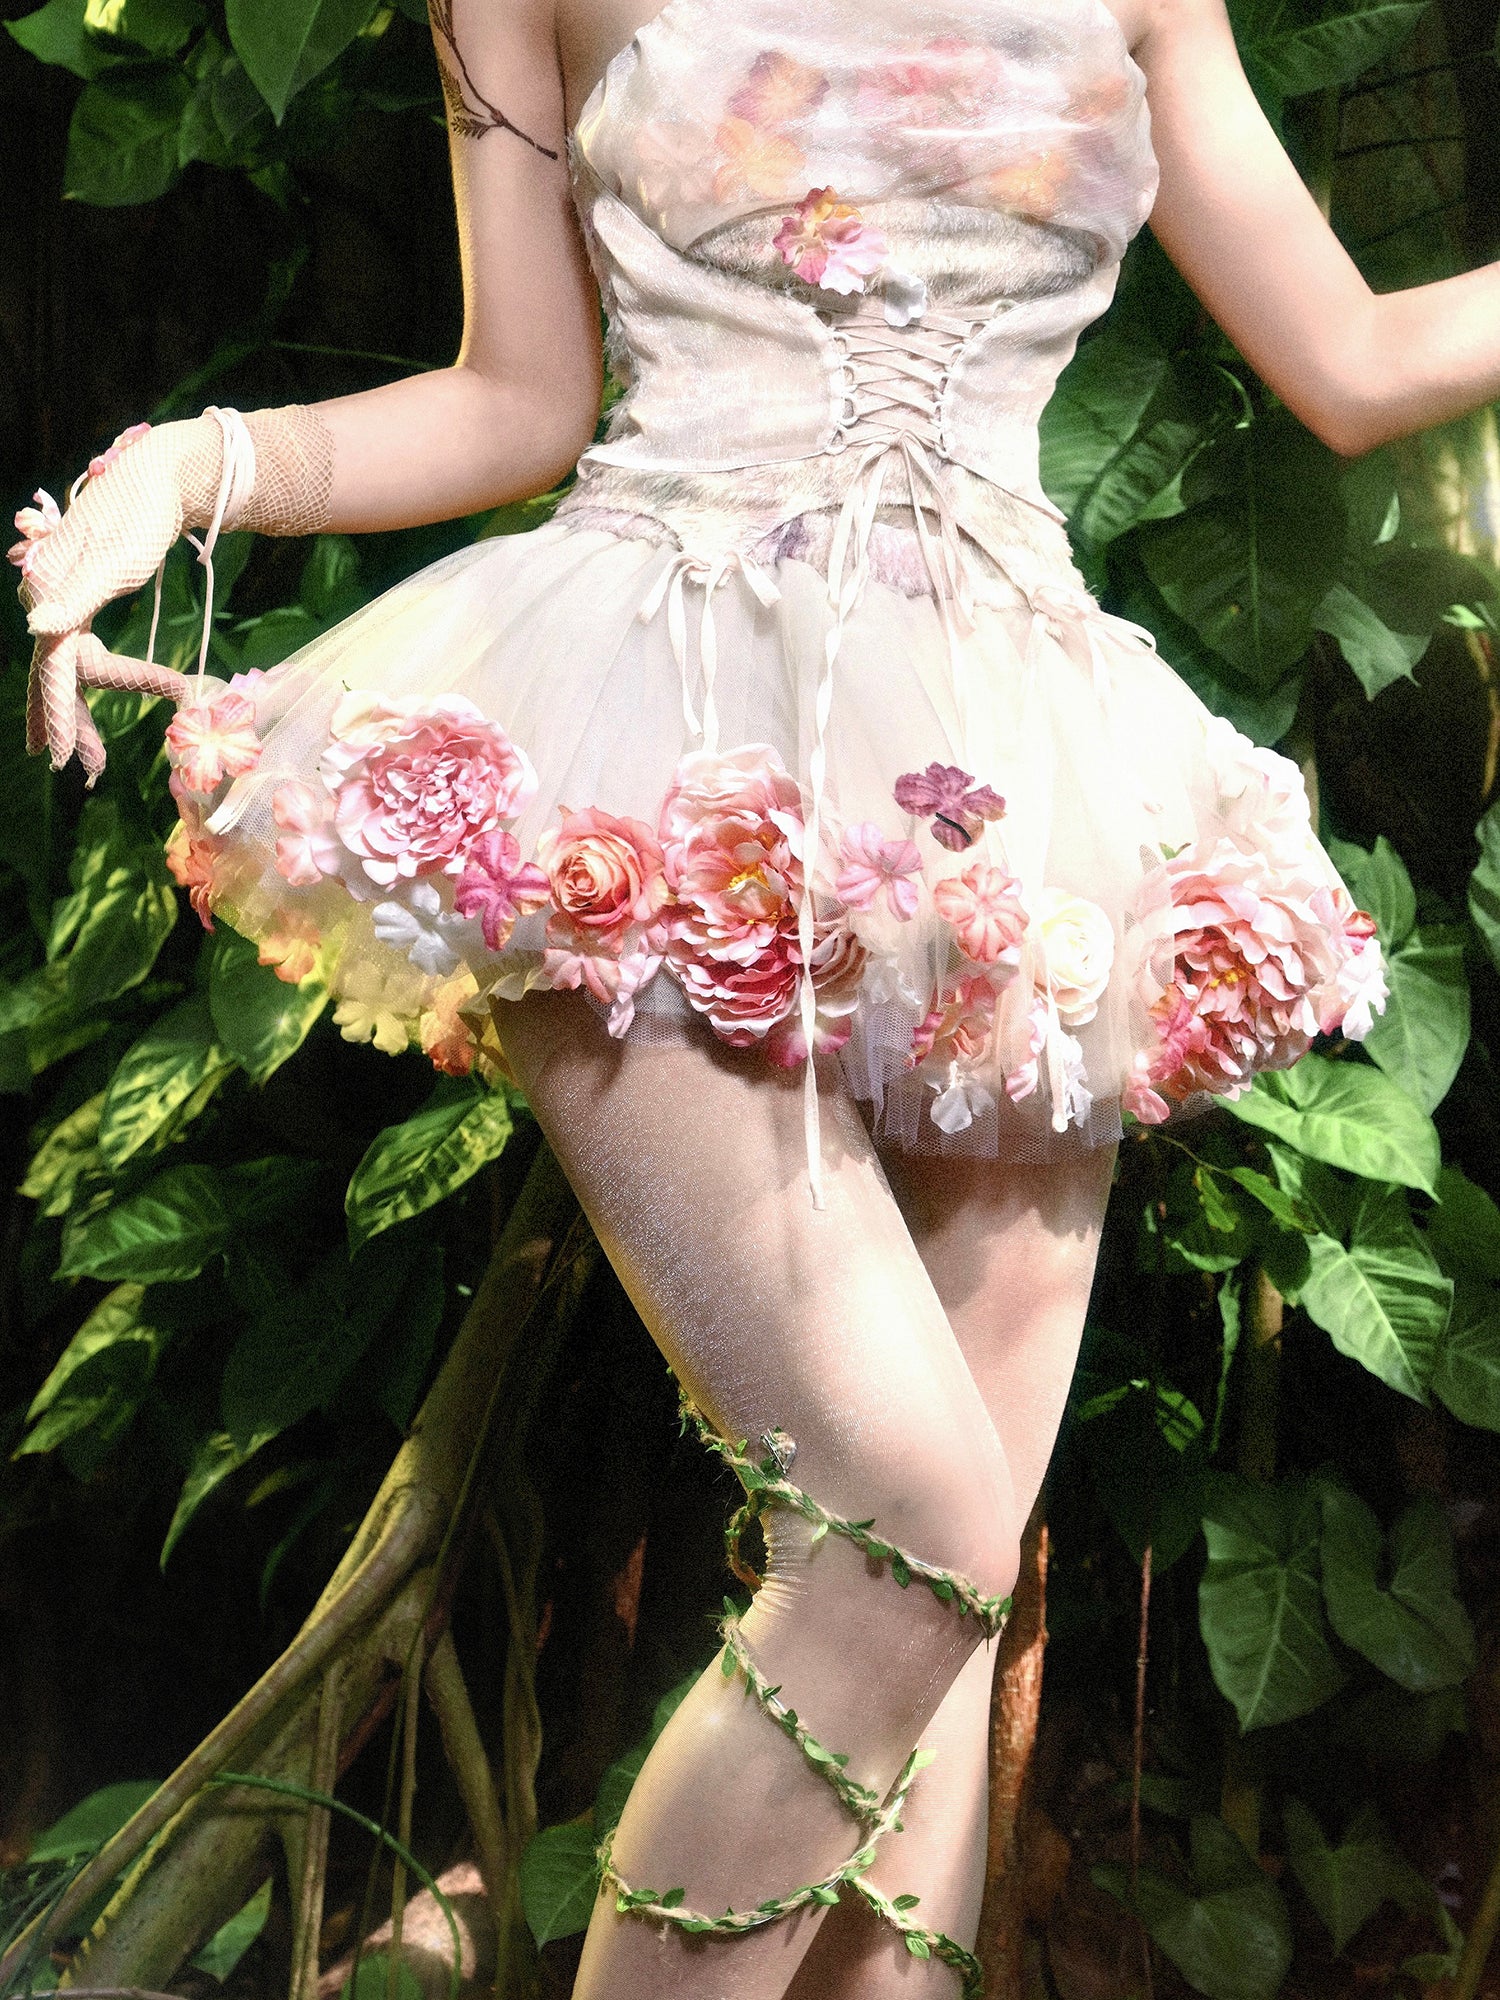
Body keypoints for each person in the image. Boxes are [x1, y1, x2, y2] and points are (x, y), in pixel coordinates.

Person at [12, 0, 1500, 1989]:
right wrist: (196, 465)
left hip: (1007, 795)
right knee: (907, 1536)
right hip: (655, 724)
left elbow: (1355, 359)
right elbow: (517, 400)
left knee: (945, 1632)